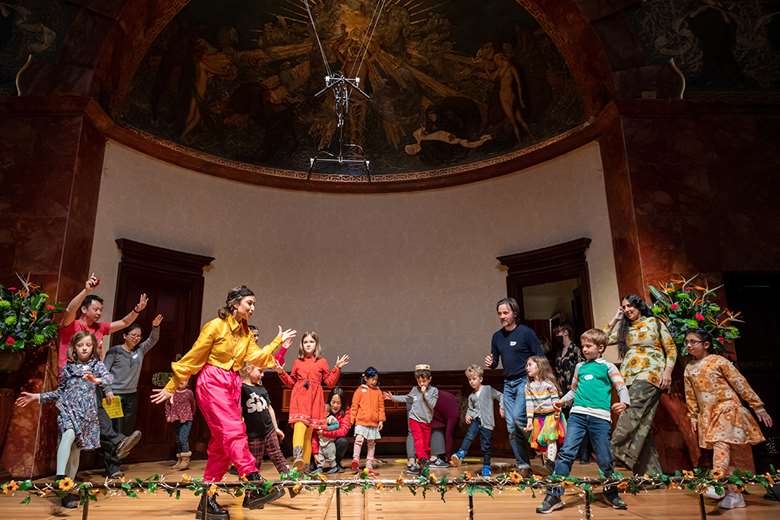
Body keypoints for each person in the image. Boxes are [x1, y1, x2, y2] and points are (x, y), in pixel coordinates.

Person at [151, 285, 296, 519]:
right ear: (235, 304)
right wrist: (171, 386)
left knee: (221, 448)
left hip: (232, 385)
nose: (253, 308)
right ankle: (253, 482)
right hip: (212, 382)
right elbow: (193, 357)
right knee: (234, 430)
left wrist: (278, 341)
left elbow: (258, 357)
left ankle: (207, 502)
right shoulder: (215, 326)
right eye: (249, 303)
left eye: (254, 304)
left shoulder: (245, 333)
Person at [536, 329, 631, 514]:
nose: (585, 349)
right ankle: (554, 495)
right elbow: (574, 390)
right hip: (577, 416)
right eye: (583, 346)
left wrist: (624, 402)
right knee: (566, 454)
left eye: (589, 346)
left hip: (600, 418)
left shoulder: (608, 367)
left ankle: (611, 492)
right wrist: (562, 400)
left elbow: (621, 387)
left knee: (605, 457)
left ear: (601, 347)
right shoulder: (580, 367)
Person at [16, 332, 113, 509]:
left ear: (92, 348)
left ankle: (66, 491)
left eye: (88, 345)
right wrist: (36, 396)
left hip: (86, 414)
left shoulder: (97, 365)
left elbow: (109, 378)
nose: (84, 348)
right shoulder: (68, 368)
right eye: (80, 345)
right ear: (74, 348)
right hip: (68, 409)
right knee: (68, 434)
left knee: (75, 454)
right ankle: (60, 477)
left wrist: (95, 379)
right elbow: (59, 392)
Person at [683, 329, 773, 509]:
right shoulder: (689, 368)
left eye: (693, 341)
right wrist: (693, 415)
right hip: (708, 414)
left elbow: (739, 382)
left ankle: (716, 483)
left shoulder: (719, 361)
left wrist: (757, 405)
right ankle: (735, 495)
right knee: (730, 456)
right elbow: (690, 395)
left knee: (720, 443)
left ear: (706, 344)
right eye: (687, 342)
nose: (689, 345)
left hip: (727, 409)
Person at [606, 294, 677, 474]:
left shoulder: (655, 322)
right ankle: (653, 475)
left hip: (650, 374)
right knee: (643, 424)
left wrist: (667, 371)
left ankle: (612, 452)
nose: (627, 309)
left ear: (639, 306)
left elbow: (671, 348)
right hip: (628, 377)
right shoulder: (625, 329)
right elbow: (601, 340)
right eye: (624, 307)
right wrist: (615, 319)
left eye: (630, 305)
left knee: (631, 413)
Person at [484, 297, 544, 474]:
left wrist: (538, 380)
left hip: (524, 382)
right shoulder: (497, 337)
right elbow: (494, 362)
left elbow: (540, 356)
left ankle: (541, 448)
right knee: (511, 427)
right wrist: (490, 361)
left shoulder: (526, 333)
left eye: (505, 312)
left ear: (514, 313)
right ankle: (523, 464)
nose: (502, 316)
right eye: (500, 313)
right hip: (507, 385)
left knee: (518, 418)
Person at [274, 331, 349, 471]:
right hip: (299, 399)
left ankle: (305, 468)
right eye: (305, 342)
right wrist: (281, 372)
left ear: (316, 345)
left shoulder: (322, 362)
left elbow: (330, 382)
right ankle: (298, 457)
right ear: (302, 345)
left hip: (314, 400)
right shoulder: (297, 362)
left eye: (311, 342)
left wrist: (337, 368)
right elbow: (291, 383)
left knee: (308, 434)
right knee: (299, 427)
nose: (308, 344)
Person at [59, 273, 148, 369]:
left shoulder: (100, 327)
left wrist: (137, 310)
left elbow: (124, 322)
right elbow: (70, 309)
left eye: (101, 310)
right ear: (84, 309)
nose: (99, 313)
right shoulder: (72, 324)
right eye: (96, 309)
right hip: (70, 376)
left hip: (91, 377)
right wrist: (86, 291)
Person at [103, 314, 163, 435]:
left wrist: (155, 327)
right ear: (125, 336)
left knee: (127, 429)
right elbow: (104, 372)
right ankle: (109, 454)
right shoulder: (115, 351)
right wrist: (107, 390)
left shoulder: (140, 350)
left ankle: (122, 453)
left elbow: (153, 340)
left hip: (131, 395)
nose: (136, 338)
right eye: (133, 335)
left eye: (139, 336)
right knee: (114, 429)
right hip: (114, 395)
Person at [240, 360, 295, 491]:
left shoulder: (261, 388)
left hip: (269, 430)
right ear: (248, 370)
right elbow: (239, 411)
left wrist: (276, 428)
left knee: (278, 455)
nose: (263, 375)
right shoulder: (242, 389)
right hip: (253, 434)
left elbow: (269, 408)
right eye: (260, 371)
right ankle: (253, 490)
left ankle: (291, 483)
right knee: (254, 462)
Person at [449, 364, 503, 477]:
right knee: (469, 435)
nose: (472, 382)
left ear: (480, 379)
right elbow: (470, 409)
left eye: (474, 379)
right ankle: (461, 453)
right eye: (469, 379)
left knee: (486, 445)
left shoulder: (488, 389)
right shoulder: (471, 396)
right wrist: (468, 415)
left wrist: (502, 406)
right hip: (476, 420)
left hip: (487, 423)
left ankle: (486, 466)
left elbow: (501, 396)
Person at [385, 364, 438, 475]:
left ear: (429, 379)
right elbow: (407, 398)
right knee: (417, 439)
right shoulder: (415, 390)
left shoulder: (434, 391)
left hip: (427, 421)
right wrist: (393, 398)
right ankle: (422, 458)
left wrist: (425, 393)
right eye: (419, 381)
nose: (421, 383)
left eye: (424, 381)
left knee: (426, 444)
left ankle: (423, 462)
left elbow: (432, 404)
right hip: (414, 418)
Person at [554, 324, 589, 463]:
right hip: (563, 390)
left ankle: (584, 454)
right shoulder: (558, 351)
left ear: (566, 332)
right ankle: (571, 453)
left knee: (579, 421)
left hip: (575, 389)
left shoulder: (575, 349)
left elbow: (581, 369)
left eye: (559, 332)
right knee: (568, 422)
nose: (557, 335)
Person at [525, 355, 566, 472]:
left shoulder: (549, 384)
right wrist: (529, 421)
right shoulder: (528, 386)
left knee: (550, 440)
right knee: (542, 445)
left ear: (540, 366)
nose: (527, 368)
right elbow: (529, 404)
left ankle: (550, 464)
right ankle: (547, 469)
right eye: (526, 365)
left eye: (530, 365)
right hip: (538, 418)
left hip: (551, 416)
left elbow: (555, 401)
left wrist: (557, 412)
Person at [405, 389, 459, 469]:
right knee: (415, 430)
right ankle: (417, 461)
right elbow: (449, 434)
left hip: (415, 399)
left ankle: (414, 461)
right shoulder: (454, 413)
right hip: (418, 401)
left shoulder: (450, 400)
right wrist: (448, 457)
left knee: (418, 430)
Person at [349, 367, 385, 476]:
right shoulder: (359, 391)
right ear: (366, 378)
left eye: (376, 379)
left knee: (371, 444)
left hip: (373, 423)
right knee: (359, 440)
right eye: (372, 379)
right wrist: (351, 420)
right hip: (361, 422)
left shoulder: (378, 391)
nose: (374, 381)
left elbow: (381, 407)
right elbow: (354, 406)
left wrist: (381, 420)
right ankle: (355, 459)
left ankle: (369, 465)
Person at [313, 387, 352, 473]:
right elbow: (315, 433)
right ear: (329, 401)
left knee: (343, 442)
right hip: (321, 441)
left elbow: (343, 431)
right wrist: (315, 453)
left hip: (334, 440)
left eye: (338, 403)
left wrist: (324, 433)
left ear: (343, 403)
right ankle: (316, 463)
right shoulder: (324, 410)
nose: (335, 405)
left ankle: (335, 464)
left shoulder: (347, 411)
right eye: (333, 402)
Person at [165, 379, 196, 470]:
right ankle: (179, 460)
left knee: (183, 438)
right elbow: (167, 405)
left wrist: (190, 413)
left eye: (185, 380)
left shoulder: (189, 393)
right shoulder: (172, 392)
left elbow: (193, 404)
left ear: (188, 382)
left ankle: (185, 460)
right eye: (179, 380)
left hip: (186, 418)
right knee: (178, 439)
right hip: (175, 418)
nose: (182, 381)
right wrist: (168, 415)